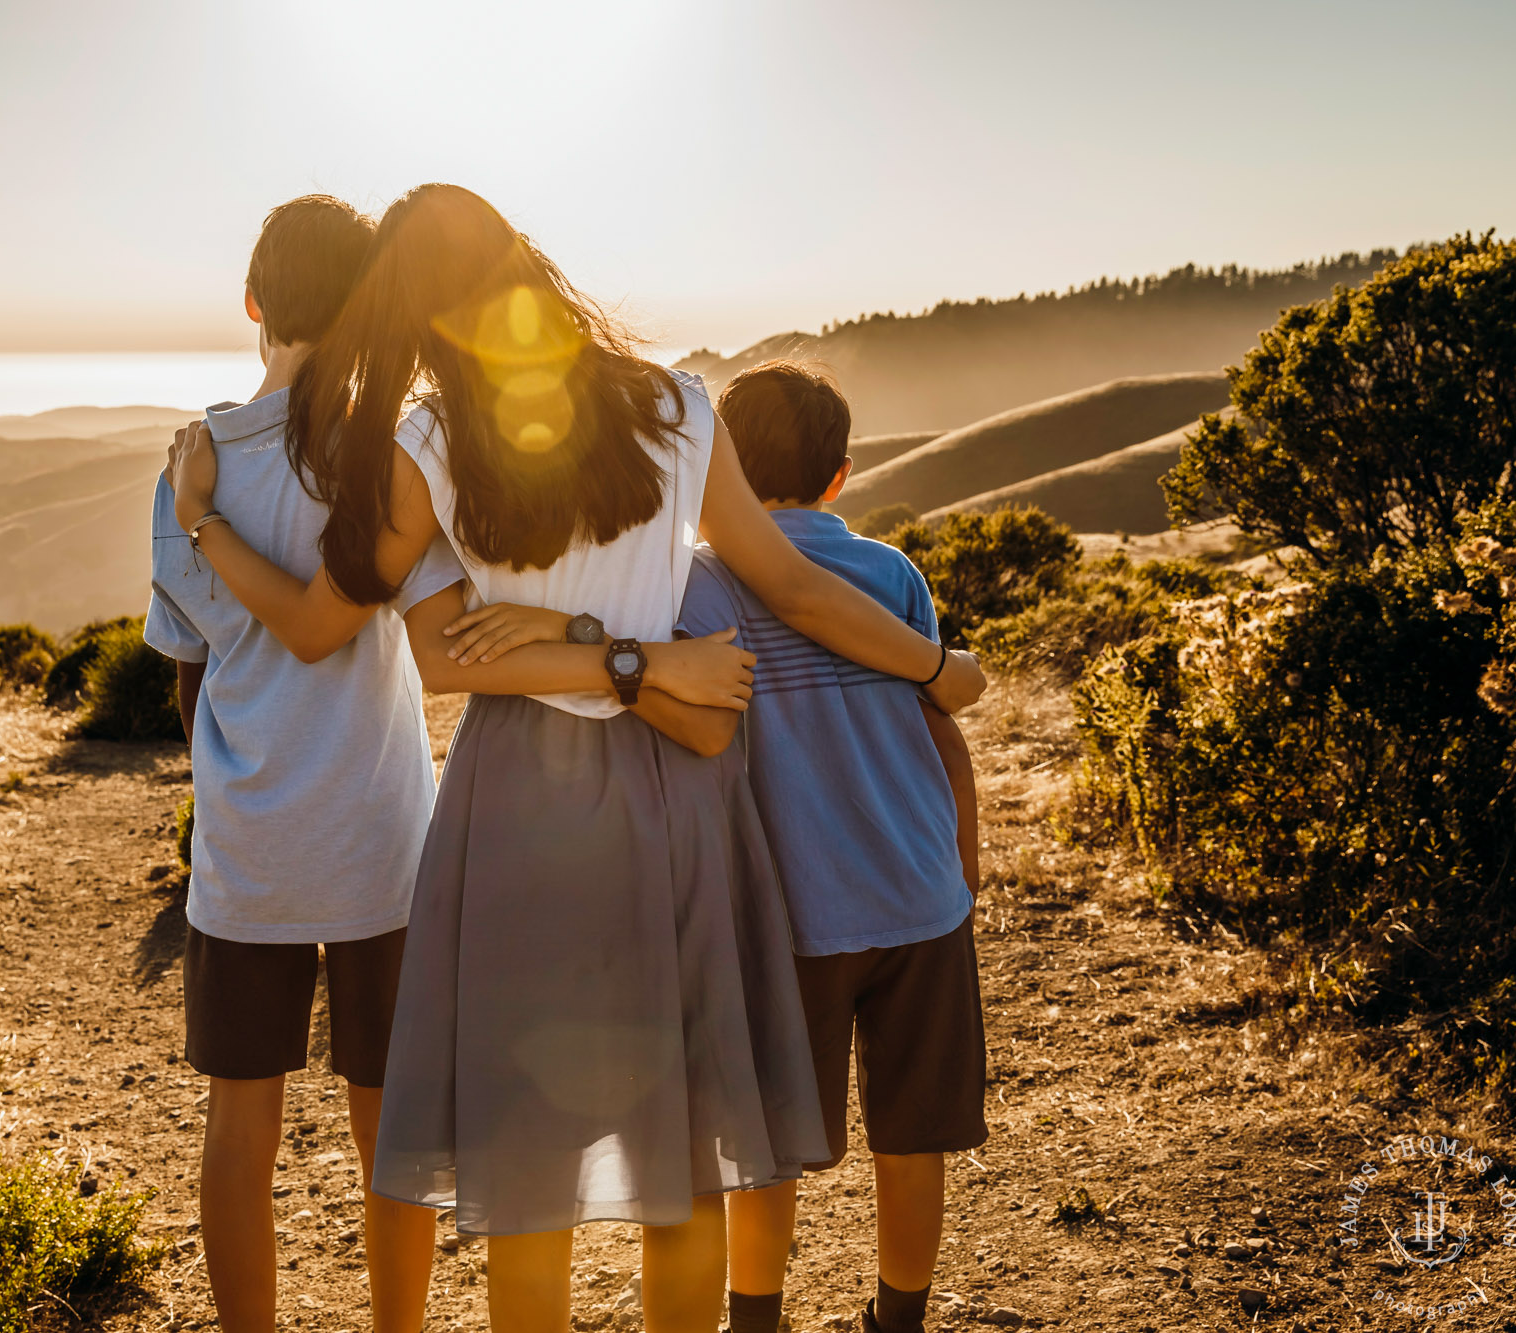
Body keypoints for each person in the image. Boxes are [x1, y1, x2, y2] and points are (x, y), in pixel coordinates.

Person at [166, 183, 988, 1333]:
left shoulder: (424, 441)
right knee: (688, 1147)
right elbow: (792, 586)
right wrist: (932, 667)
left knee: (526, 1162)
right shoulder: (677, 405)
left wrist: (577, 649)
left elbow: (441, 659)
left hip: (516, 802)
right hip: (678, 790)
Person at [143, 195, 458, 1333]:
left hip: (252, 842)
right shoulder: (382, 458)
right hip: (380, 833)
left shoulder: (193, 467)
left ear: (252, 302)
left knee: (240, 1129)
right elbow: (431, 626)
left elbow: (185, 666)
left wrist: (230, 776)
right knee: (390, 1127)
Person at [657, 362, 987, 1333]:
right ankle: (898, 1317)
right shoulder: (891, 575)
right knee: (911, 1136)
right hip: (917, 899)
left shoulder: (698, 587)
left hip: (785, 920)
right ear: (839, 476)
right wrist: (960, 865)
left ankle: (755, 1320)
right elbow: (938, 726)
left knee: (763, 1148)